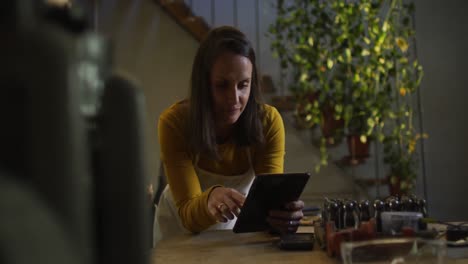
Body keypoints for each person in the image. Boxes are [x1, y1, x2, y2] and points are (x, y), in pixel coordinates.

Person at [155, 26, 304, 242]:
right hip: (178, 228)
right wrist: (209, 200)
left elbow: (268, 203)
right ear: (203, 85)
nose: (234, 99)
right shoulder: (175, 123)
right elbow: (188, 214)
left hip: (232, 227)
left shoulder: (268, 122)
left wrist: (281, 216)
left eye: (243, 85)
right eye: (222, 86)